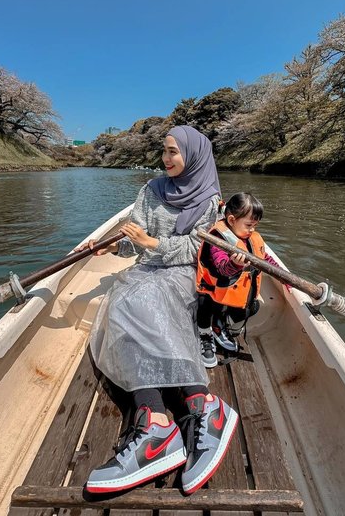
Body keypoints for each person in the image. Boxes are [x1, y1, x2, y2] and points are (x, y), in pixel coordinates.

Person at [76, 125, 238, 495]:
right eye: (164, 151)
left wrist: (151, 242)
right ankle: (169, 418)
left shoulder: (210, 199)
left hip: (183, 273)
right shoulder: (150, 189)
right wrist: (113, 248)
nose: (166, 159)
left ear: (193, 155)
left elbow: (195, 250)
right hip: (147, 267)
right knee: (122, 301)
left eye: (173, 152)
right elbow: (134, 238)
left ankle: (189, 410)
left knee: (146, 301)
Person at [196, 192, 277, 368]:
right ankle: (205, 334)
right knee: (204, 304)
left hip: (232, 292)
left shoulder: (251, 237)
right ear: (231, 220)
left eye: (255, 225)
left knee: (253, 306)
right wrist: (234, 264)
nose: (253, 230)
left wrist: (284, 277)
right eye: (249, 225)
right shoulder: (218, 238)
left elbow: (266, 259)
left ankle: (219, 325)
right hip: (213, 291)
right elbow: (222, 268)